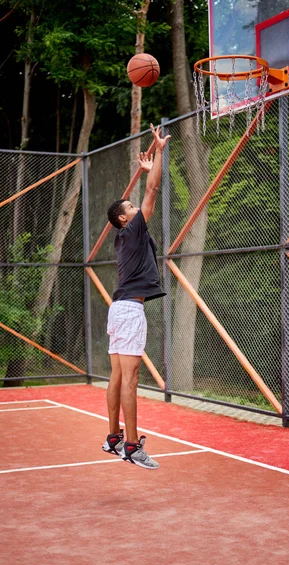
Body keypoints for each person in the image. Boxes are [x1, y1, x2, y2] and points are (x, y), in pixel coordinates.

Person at [102, 123, 171, 470]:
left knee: (117, 376)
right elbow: (153, 189)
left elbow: (148, 194)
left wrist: (146, 167)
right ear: (123, 218)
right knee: (129, 379)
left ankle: (113, 436)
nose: (136, 207)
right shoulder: (131, 229)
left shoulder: (125, 237)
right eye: (130, 206)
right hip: (129, 310)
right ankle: (131, 445)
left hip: (119, 309)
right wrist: (158, 153)